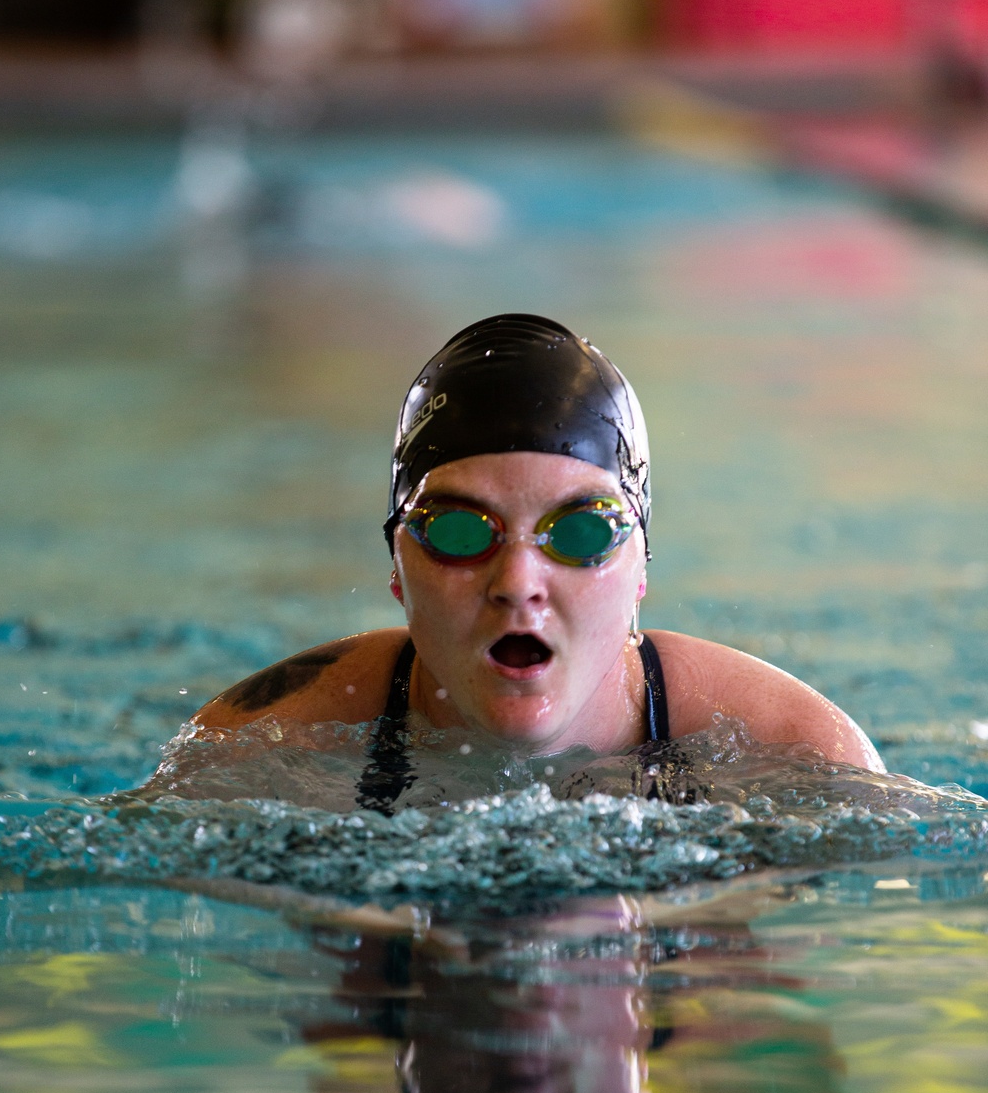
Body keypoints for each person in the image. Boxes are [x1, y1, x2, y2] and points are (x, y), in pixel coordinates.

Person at [193, 314, 883, 798]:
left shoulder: (800, 753)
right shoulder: (261, 744)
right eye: (461, 532)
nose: (519, 583)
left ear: (641, 568)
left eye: (581, 532)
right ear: (399, 569)